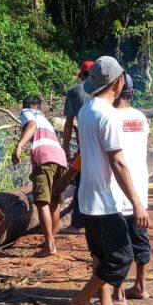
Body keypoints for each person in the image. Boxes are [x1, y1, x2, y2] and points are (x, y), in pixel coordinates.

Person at [70, 57, 149, 305]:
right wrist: (137, 202)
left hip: (87, 198)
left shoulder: (86, 109)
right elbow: (118, 162)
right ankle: (81, 300)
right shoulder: (108, 115)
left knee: (101, 258)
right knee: (121, 257)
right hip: (104, 200)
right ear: (119, 82)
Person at [110, 75, 151, 303]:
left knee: (117, 243)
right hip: (139, 190)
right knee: (139, 238)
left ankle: (118, 293)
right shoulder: (141, 118)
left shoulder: (109, 117)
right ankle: (141, 286)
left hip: (116, 190)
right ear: (132, 93)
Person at [12, 96, 68, 256]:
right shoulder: (45, 119)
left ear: (26, 107)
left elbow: (32, 125)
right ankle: (51, 240)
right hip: (60, 157)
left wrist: (19, 146)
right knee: (55, 201)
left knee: (42, 201)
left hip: (44, 157)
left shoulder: (28, 113)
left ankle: (50, 246)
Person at [61, 60, 94, 229]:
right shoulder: (104, 90)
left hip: (85, 145)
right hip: (104, 143)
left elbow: (68, 124)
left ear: (81, 74)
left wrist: (65, 149)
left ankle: (78, 222)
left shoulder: (75, 92)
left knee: (81, 181)